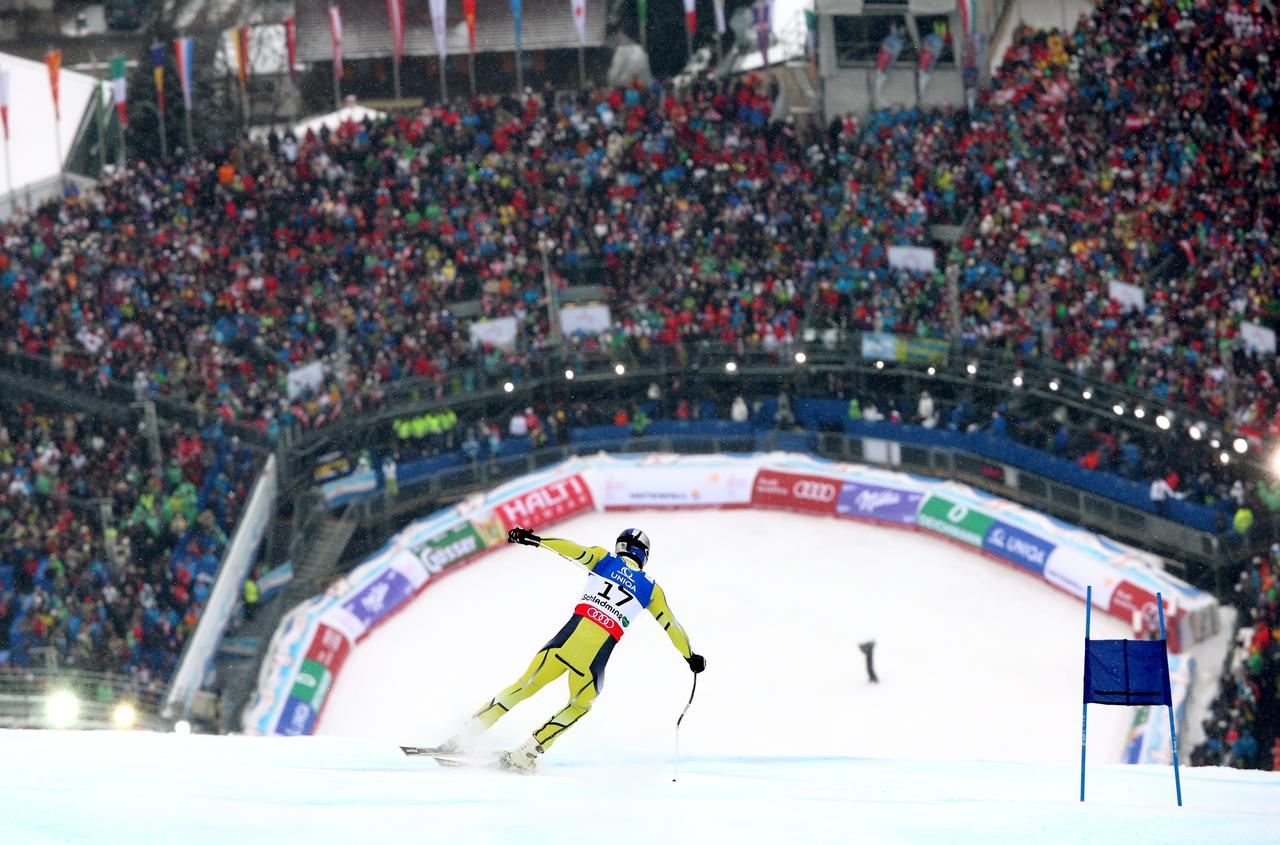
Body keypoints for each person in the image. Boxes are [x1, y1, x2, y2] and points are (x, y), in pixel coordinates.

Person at [436, 526, 705, 773]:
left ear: (620, 547)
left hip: (561, 645)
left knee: (523, 687)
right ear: (643, 555)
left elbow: (572, 550)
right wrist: (690, 657)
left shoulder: (604, 560)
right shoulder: (650, 590)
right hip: (592, 662)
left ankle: (466, 736)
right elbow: (672, 626)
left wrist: (536, 540)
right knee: (579, 706)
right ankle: (527, 752)